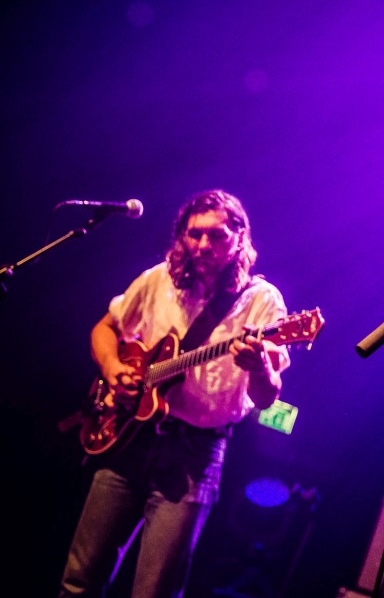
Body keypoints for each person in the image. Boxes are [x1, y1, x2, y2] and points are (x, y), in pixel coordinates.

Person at [60, 189, 291, 598]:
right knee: (79, 581)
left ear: (239, 237)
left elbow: (267, 397)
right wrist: (113, 370)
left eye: (216, 235)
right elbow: (105, 329)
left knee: (155, 591)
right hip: (129, 441)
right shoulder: (160, 279)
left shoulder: (262, 302)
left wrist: (258, 366)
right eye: (193, 234)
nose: (202, 245)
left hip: (194, 456)